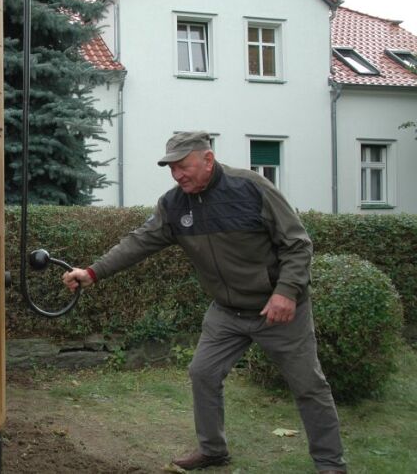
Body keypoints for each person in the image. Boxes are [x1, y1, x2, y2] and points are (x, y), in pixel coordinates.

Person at [62, 131, 346, 473]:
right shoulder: (174, 204)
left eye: (183, 166)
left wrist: (286, 292)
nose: (177, 175)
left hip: (280, 310)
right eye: (172, 169)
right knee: (203, 373)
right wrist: (92, 273)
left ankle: (330, 464)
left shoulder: (251, 188)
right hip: (227, 312)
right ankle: (213, 450)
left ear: (207, 159)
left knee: (309, 385)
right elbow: (139, 242)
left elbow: (298, 244)